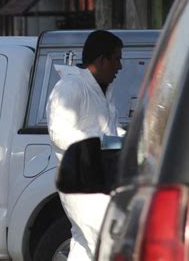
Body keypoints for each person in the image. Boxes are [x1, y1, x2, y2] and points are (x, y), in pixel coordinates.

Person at [46, 30, 125, 260]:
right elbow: (59, 134)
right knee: (109, 246)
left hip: (99, 185)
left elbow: (111, 133)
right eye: (116, 59)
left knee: (84, 249)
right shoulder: (70, 87)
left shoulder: (103, 93)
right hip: (81, 187)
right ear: (101, 60)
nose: (120, 67)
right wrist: (101, 142)